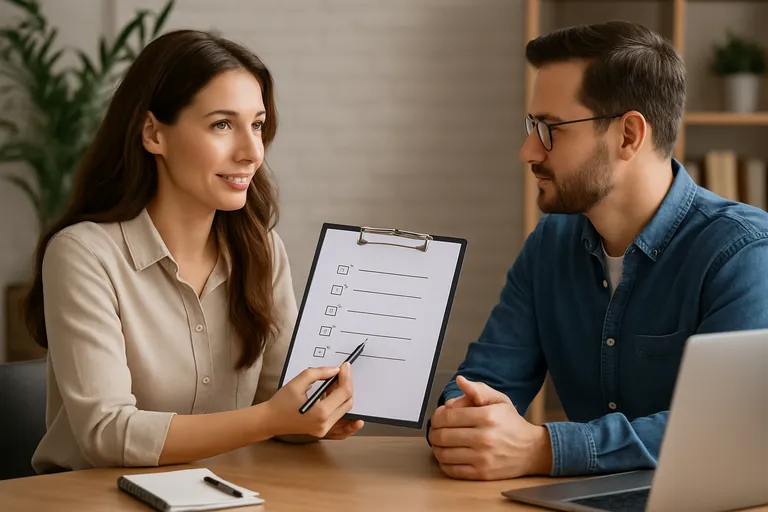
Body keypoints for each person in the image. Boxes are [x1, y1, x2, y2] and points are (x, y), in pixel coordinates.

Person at [428, 20, 768, 480]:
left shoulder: (743, 252)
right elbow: (484, 382)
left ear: (629, 135)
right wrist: (463, 423)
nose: (528, 150)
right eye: (532, 126)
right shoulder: (550, 244)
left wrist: (543, 449)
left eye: (550, 129)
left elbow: (729, 429)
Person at [27, 29, 363, 474]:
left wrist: (311, 416)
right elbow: (106, 433)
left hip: (221, 496)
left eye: (257, 125)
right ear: (153, 133)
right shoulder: (83, 254)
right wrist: (270, 419)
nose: (251, 152)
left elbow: (275, 402)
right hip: (94, 499)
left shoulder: (262, 250)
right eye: (222, 124)